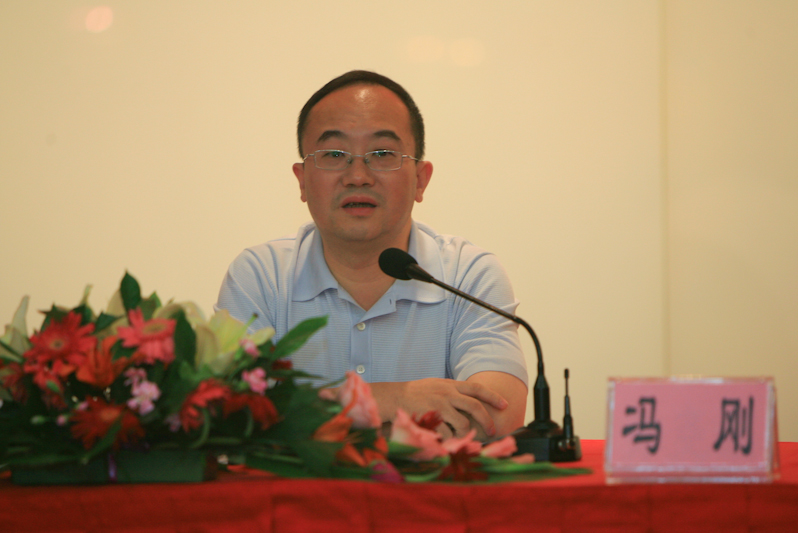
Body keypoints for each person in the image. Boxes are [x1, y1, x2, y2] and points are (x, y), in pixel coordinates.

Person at [216, 71, 527, 439]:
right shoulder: (260, 277)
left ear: (421, 179)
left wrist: (317, 423)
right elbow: (231, 417)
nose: (358, 176)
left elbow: (495, 416)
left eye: (382, 154)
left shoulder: (468, 275)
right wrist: (387, 399)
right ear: (302, 180)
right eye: (334, 154)